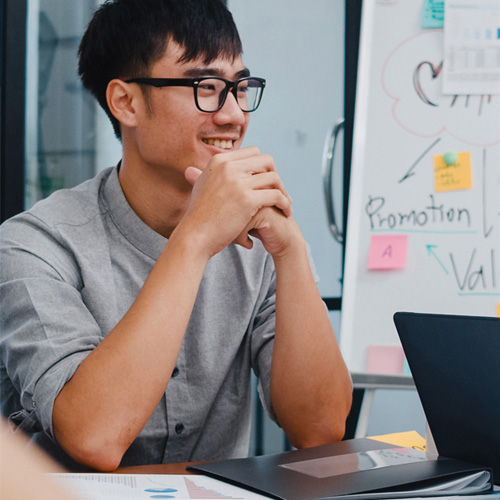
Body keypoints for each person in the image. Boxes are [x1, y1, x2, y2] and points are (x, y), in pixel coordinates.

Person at [0, 0, 352, 472]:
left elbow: (321, 430)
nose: (233, 115)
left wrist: (291, 251)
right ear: (125, 102)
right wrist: (194, 239)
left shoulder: (259, 243)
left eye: (239, 87)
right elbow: (94, 437)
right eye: (205, 87)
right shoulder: (33, 245)